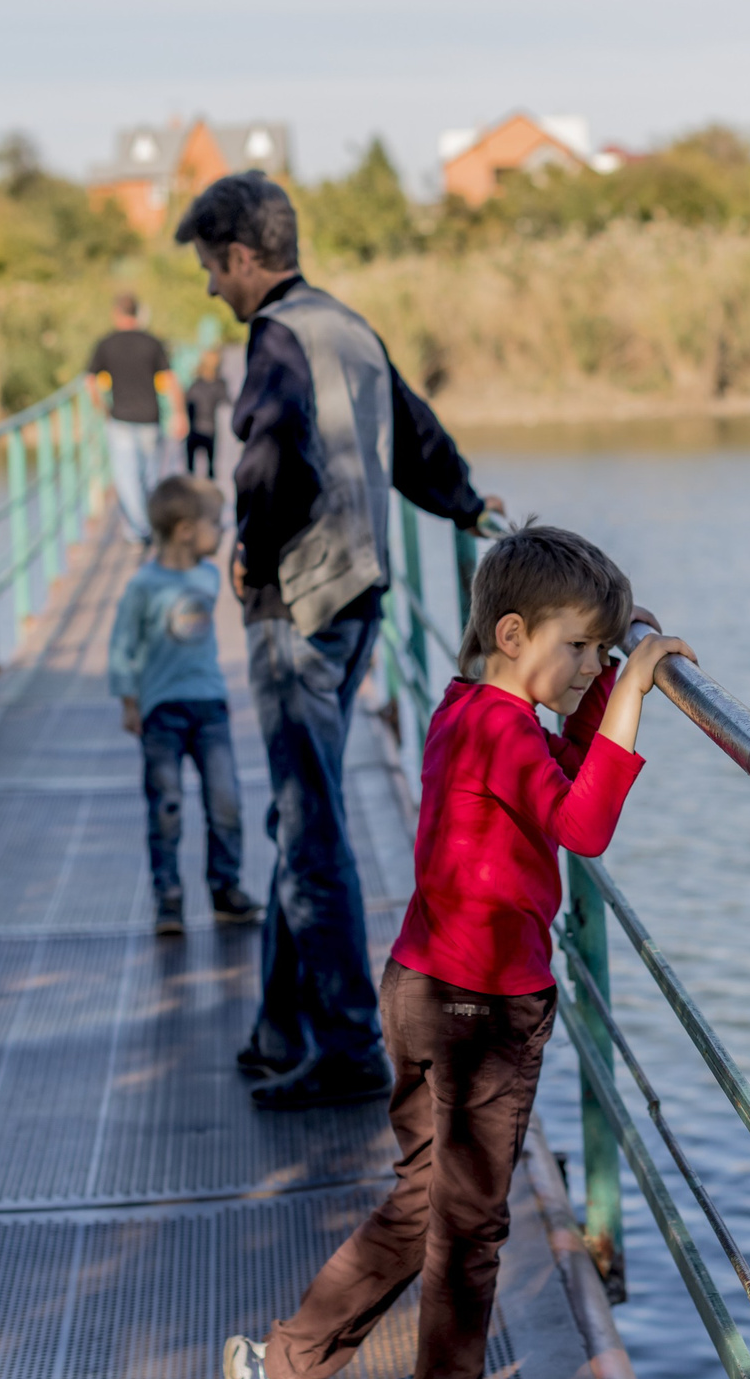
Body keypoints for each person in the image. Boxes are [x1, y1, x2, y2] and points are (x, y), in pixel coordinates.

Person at [222, 525, 693, 1379]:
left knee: (426, 1204)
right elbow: (583, 821)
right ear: (515, 634)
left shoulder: (467, 709)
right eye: (578, 652)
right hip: (484, 1011)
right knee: (468, 1223)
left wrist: (605, 672)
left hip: (421, 987)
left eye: (599, 658)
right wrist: (636, 693)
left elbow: (555, 761)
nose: (587, 671)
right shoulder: (503, 728)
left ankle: (286, 1366)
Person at [173, 171, 502, 1111]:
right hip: (363, 592)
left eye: (209, 268)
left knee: (310, 822)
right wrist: (468, 503)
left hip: (303, 603)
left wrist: (250, 549)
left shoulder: (276, 336)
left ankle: (350, 1043)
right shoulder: (345, 323)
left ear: (241, 256)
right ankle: (283, 1023)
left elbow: (273, 456)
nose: (209, 288)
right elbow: (413, 429)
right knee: (299, 804)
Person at [109, 476, 264, 936]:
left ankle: (225, 888)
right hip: (162, 712)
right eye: (213, 525)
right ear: (183, 530)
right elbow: (122, 645)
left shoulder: (210, 574)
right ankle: (168, 896)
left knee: (226, 801)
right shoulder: (143, 585)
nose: (221, 532)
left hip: (210, 706)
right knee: (167, 805)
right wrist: (129, 700)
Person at [87, 294, 181, 546]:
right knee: (150, 477)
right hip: (150, 418)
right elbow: (171, 381)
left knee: (127, 478)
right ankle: (149, 523)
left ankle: (140, 529)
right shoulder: (152, 342)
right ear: (137, 313)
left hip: (120, 420)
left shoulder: (105, 344)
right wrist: (180, 414)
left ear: (116, 314)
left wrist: (102, 408)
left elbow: (90, 382)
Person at [183, 348, 229, 478]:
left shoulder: (198, 383)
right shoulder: (217, 384)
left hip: (202, 429)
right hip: (202, 429)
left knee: (201, 470)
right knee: (200, 470)